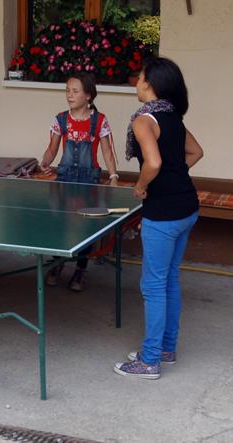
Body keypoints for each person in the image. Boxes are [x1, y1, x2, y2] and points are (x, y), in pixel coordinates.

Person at [114, 57, 203, 379]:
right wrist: (173, 176)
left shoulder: (144, 120)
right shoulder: (172, 116)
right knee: (169, 279)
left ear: (149, 83)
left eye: (139, 77)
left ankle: (150, 360)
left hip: (163, 214)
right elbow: (196, 152)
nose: (136, 83)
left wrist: (141, 187)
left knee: (153, 285)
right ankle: (166, 348)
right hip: (187, 207)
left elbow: (152, 163)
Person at [39, 73, 119, 291]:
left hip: (89, 182)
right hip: (64, 181)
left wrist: (113, 176)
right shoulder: (60, 119)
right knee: (60, 224)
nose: (69, 95)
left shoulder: (100, 120)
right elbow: (52, 149)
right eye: (67, 90)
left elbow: (107, 152)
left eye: (75, 91)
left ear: (88, 96)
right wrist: (44, 161)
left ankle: (80, 270)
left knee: (86, 228)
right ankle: (57, 264)